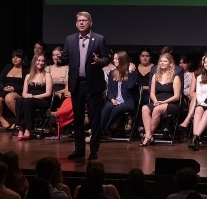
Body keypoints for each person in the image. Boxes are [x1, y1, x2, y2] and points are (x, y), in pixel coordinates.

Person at [61, 11, 109, 161]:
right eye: (79, 21)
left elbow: (106, 58)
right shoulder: (70, 39)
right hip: (76, 84)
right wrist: (60, 58)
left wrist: (99, 62)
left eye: (84, 20)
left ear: (90, 23)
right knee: (78, 119)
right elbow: (66, 58)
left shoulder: (99, 39)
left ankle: (94, 151)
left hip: (93, 85)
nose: (81, 23)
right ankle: (79, 150)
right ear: (76, 24)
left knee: (94, 119)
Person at [139, 53, 181, 146]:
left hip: (171, 102)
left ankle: (147, 136)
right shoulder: (155, 76)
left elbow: (177, 96)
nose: (162, 63)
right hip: (157, 101)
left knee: (156, 110)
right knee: (145, 108)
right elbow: (152, 93)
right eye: (161, 61)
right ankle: (149, 135)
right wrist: (155, 101)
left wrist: (164, 102)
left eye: (165, 61)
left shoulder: (175, 76)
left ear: (170, 63)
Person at [15, 53, 53, 140]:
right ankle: (21, 128)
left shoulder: (47, 75)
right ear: (34, 62)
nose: (41, 63)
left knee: (27, 101)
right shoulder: (28, 76)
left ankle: (28, 128)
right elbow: (24, 93)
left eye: (43, 61)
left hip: (42, 100)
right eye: (39, 60)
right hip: (29, 99)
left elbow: (48, 93)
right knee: (20, 100)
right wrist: (27, 96)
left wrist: (34, 97)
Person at [101, 51, 138, 134]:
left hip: (127, 102)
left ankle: (101, 131)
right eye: (114, 59)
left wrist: (130, 72)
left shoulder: (133, 73)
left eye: (116, 59)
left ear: (122, 60)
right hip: (116, 100)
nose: (114, 61)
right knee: (107, 108)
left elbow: (130, 86)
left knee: (116, 110)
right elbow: (109, 89)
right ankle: (99, 129)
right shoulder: (112, 73)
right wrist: (112, 98)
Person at [0, 50, 28, 130]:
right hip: (6, 90)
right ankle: (1, 119)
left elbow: (28, 85)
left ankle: (20, 120)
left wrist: (14, 88)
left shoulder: (26, 69)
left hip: (19, 91)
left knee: (9, 97)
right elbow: (0, 81)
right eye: (13, 57)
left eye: (18, 57)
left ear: (22, 59)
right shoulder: (8, 67)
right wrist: (3, 88)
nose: (15, 59)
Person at [178, 57, 206, 130]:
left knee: (196, 96)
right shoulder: (197, 74)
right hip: (193, 97)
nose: (205, 63)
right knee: (195, 96)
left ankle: (188, 120)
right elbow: (191, 92)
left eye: (184, 63)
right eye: (203, 60)